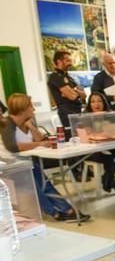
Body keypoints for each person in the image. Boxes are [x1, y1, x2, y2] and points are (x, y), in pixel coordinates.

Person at [0, 93, 89, 222]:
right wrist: (39, 144)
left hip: (25, 162)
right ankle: (55, 213)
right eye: (30, 106)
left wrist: (31, 127)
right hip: (11, 165)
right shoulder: (8, 123)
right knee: (35, 185)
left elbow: (40, 139)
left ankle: (67, 210)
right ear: (23, 108)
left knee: (45, 183)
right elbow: (12, 147)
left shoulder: (27, 122)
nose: (33, 109)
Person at [84, 92, 115, 193]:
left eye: (99, 101)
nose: (96, 104)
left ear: (104, 103)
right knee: (108, 158)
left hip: (109, 145)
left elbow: (113, 131)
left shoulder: (109, 115)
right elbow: (87, 135)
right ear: (89, 104)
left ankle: (107, 176)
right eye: (93, 102)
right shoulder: (85, 117)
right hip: (92, 149)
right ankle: (111, 180)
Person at [47, 51, 85, 137]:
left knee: (82, 136)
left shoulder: (69, 77)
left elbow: (84, 95)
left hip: (77, 110)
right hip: (67, 111)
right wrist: (75, 92)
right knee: (73, 137)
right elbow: (72, 96)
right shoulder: (55, 77)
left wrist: (72, 91)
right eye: (67, 61)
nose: (70, 63)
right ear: (59, 61)